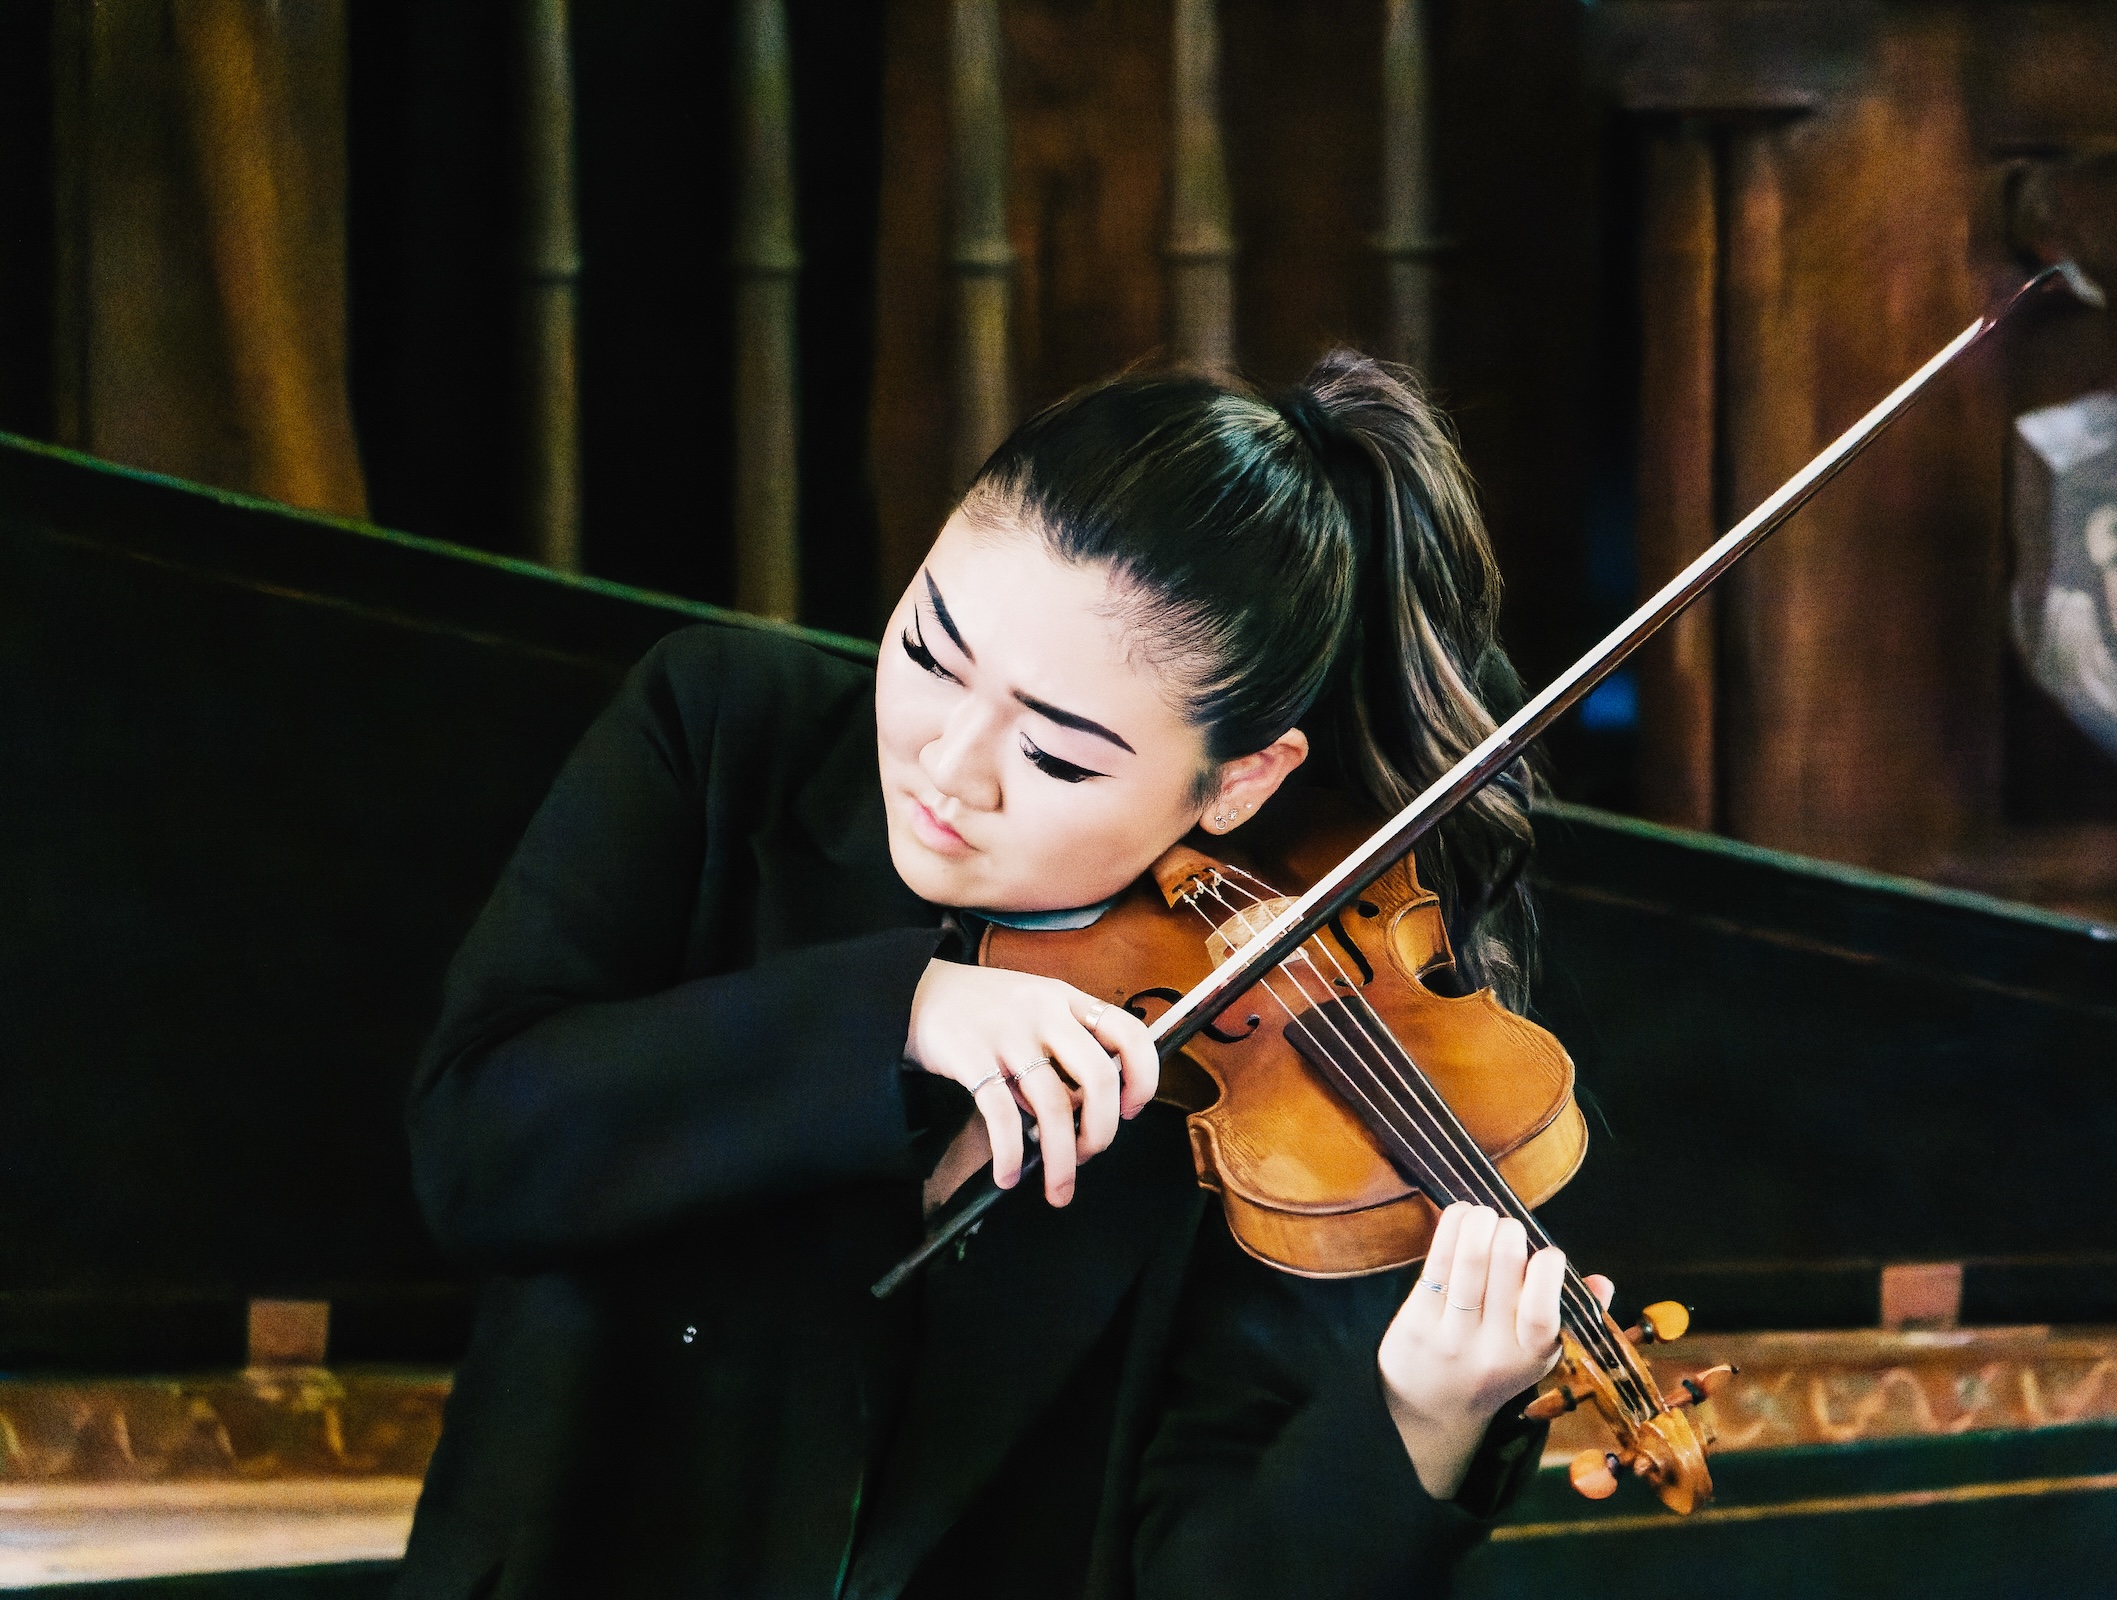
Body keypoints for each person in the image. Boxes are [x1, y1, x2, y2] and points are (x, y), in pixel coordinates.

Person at [395, 349, 1607, 1600]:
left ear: (1242, 778)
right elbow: (480, 1141)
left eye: (1059, 756)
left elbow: (1194, 1574)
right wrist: (903, 1009)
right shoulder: (718, 734)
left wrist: (1418, 1423)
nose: (948, 768)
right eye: (929, 649)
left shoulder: (1270, 1055)